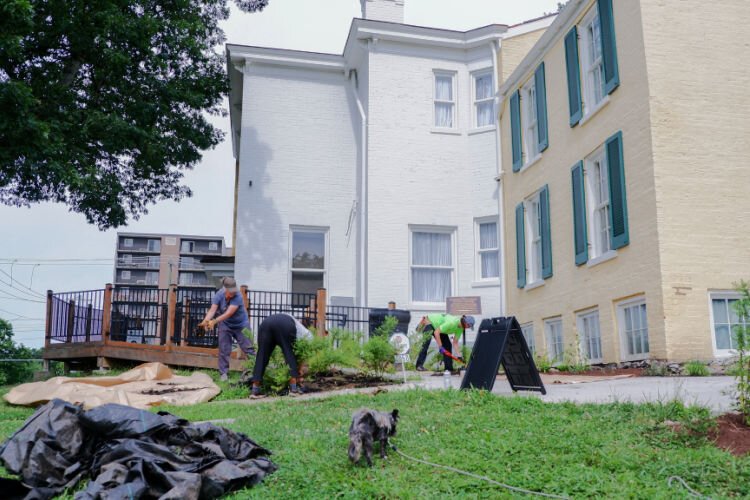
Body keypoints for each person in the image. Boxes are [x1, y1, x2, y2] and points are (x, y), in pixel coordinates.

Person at [198, 277, 256, 381]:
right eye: (231, 292)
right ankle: (223, 374)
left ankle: (253, 371)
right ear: (225, 289)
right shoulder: (219, 295)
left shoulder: (238, 296)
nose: (233, 293)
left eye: (234, 291)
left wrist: (214, 321)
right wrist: (205, 321)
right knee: (224, 349)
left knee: (249, 348)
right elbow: (212, 310)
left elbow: (229, 313)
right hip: (225, 325)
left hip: (241, 325)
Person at [250, 313, 310, 399]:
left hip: (266, 323)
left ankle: (255, 390)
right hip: (284, 325)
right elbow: (303, 356)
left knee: (261, 356)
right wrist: (299, 372)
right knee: (289, 353)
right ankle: (293, 389)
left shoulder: (297, 325)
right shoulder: (308, 335)